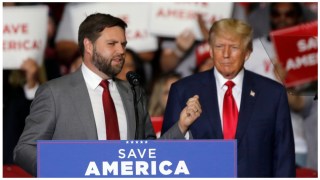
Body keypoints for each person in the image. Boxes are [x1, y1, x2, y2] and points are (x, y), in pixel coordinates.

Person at [14, 13, 202, 177]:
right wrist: (62, 172)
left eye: (123, 44)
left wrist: (181, 126)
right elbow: (24, 149)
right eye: (112, 44)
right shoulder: (55, 92)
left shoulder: (132, 92)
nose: (121, 51)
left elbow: (149, 153)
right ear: (88, 45)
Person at [161, 18, 295, 177]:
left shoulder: (272, 94)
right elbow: (166, 156)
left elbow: (283, 158)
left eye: (234, 47)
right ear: (210, 51)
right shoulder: (182, 90)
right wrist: (182, 127)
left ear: (247, 53)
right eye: (219, 47)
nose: (226, 54)